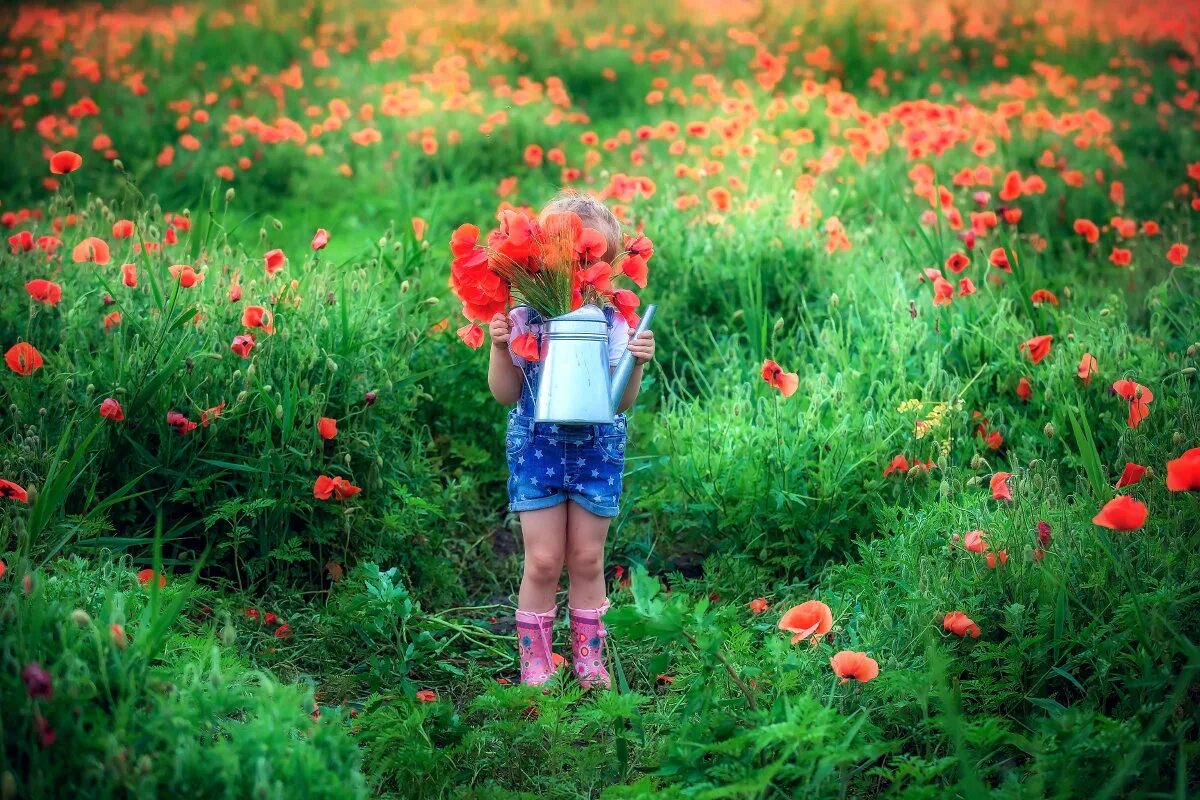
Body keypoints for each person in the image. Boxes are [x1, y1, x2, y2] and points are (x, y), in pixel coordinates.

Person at [486, 192, 655, 688]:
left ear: (608, 266)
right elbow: (505, 394)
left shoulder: (611, 324)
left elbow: (620, 402)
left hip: (596, 453)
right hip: (537, 450)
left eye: (592, 262)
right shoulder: (525, 320)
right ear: (543, 259)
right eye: (571, 258)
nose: (580, 271)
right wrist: (500, 347)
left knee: (586, 558)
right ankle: (535, 667)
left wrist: (637, 360)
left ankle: (589, 662)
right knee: (542, 560)